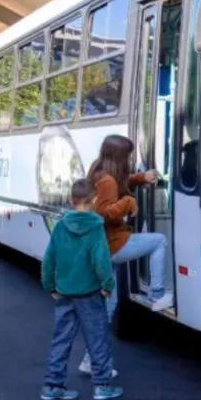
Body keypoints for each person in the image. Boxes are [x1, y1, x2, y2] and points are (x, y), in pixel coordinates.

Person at [77, 134, 173, 375]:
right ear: (119, 157)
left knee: (109, 307)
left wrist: (141, 178)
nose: (130, 160)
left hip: (101, 249)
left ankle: (91, 361)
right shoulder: (108, 181)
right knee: (159, 241)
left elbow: (120, 182)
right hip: (113, 245)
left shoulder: (98, 171)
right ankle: (157, 294)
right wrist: (128, 203)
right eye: (128, 156)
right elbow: (102, 213)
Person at [40, 179, 123, 400]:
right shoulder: (96, 228)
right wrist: (108, 285)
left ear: (70, 201)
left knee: (61, 339)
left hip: (65, 293)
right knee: (97, 339)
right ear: (94, 200)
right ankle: (102, 385)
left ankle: (52, 385)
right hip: (90, 295)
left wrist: (49, 285)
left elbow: (49, 258)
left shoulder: (60, 226)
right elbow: (101, 260)